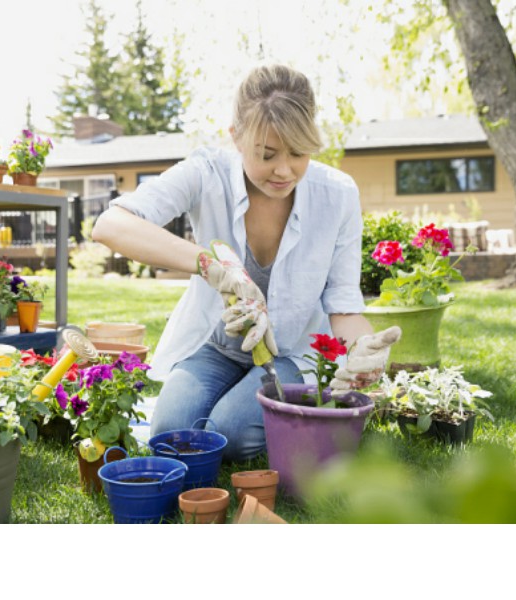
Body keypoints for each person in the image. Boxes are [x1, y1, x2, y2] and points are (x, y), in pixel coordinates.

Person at [92, 64, 399, 461]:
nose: (285, 170)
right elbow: (110, 225)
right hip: (218, 347)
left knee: (233, 436)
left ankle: (250, 412)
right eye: (267, 154)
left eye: (298, 152)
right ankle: (253, 406)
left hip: (292, 352)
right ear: (236, 137)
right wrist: (210, 266)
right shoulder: (206, 174)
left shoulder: (337, 195)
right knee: (170, 435)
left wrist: (363, 347)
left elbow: (343, 306)